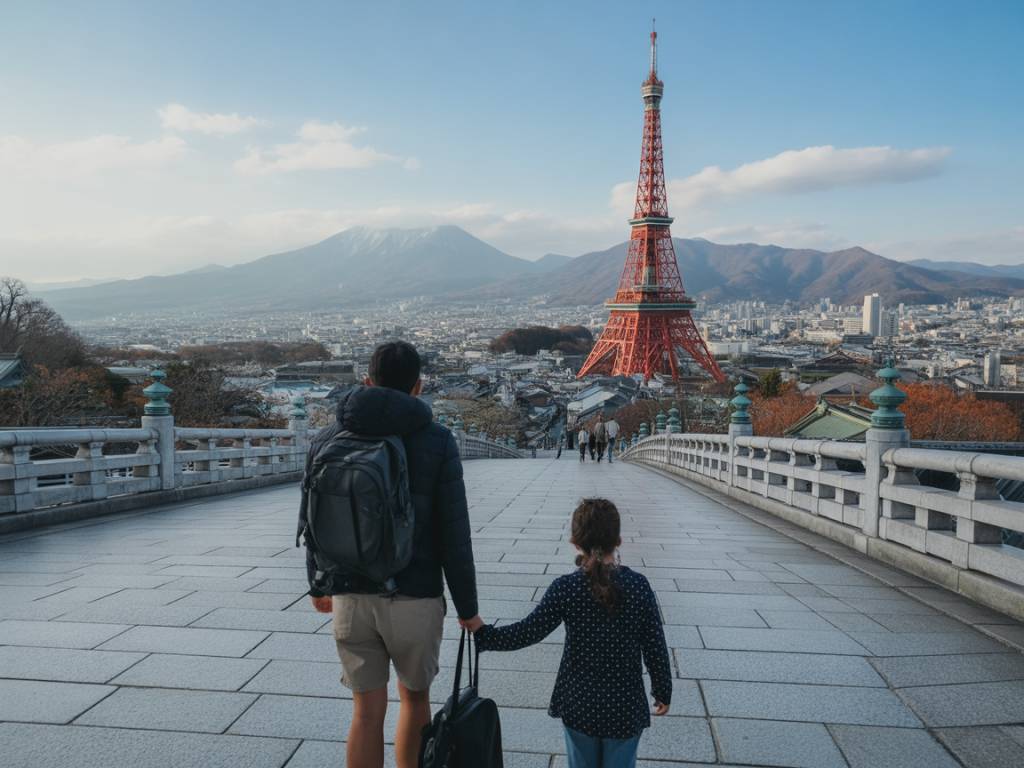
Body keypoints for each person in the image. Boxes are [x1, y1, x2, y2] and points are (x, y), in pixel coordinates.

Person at [298, 341, 482, 768]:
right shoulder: (437, 440)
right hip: (414, 594)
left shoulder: (329, 436)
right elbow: (455, 534)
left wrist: (317, 585)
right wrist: (468, 609)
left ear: (367, 381)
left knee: (365, 711)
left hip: (349, 590)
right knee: (414, 701)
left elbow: (310, 518)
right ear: (418, 387)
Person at [472, 498, 672, 768]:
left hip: (580, 702)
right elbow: (654, 644)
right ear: (619, 541)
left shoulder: (566, 588)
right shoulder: (638, 586)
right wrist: (662, 689)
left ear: (575, 543)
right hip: (625, 705)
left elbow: (529, 631)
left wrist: (484, 634)